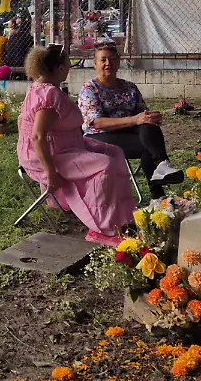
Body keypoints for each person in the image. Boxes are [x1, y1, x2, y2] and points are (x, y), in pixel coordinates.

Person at [17, 44, 134, 246]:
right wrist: (50, 172)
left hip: (66, 146)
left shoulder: (44, 88)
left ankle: (121, 215)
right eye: (68, 64)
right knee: (104, 165)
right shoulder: (48, 95)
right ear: (60, 68)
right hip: (48, 155)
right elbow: (37, 137)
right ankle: (101, 228)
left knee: (114, 152)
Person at [77, 43, 183, 199]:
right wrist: (134, 120)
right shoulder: (89, 89)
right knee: (148, 147)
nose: (108, 63)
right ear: (95, 64)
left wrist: (152, 117)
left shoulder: (129, 87)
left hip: (128, 132)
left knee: (147, 125)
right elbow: (96, 123)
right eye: (103, 60)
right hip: (98, 136)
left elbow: (142, 114)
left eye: (113, 59)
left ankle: (162, 167)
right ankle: (158, 194)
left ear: (119, 61)